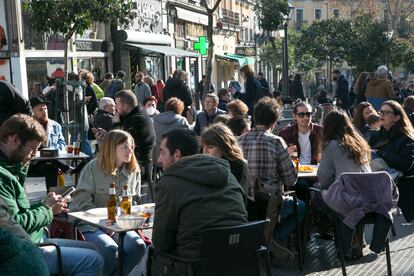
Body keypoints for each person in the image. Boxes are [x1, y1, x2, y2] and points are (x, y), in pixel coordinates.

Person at [0, 114, 103, 275]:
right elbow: (13, 226)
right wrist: (47, 209)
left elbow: (16, 213)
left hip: (33, 241)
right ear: (14, 140)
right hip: (22, 253)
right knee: (93, 260)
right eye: (32, 148)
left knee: (93, 248)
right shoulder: (3, 176)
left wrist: (44, 204)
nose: (34, 155)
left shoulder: (10, 169)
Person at [151, 129, 247, 274]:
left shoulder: (168, 183)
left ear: (176, 154)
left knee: (144, 257)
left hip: (193, 266)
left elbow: (161, 244)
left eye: (162, 152)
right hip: (237, 261)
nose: (158, 159)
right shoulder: (229, 176)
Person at [70, 130, 146, 275]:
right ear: (112, 148)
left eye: (131, 146)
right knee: (110, 249)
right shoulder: (92, 168)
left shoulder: (133, 171)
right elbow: (80, 205)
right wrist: (105, 223)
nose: (130, 151)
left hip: (119, 225)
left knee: (138, 246)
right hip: (90, 224)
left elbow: (134, 203)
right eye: (124, 147)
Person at [238, 97, 304, 255]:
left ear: (255, 117)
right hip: (270, 202)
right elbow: (291, 179)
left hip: (244, 201)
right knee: (301, 207)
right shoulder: (276, 141)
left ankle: (268, 239)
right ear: (275, 121)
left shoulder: (238, 140)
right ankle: (276, 238)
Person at [369, 100, 414, 221]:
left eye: (386, 112)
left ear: (397, 117)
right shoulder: (375, 136)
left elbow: (406, 165)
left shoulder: (407, 138)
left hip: (399, 184)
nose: (381, 115)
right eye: (381, 111)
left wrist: (381, 153)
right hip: (374, 181)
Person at [279, 101, 323, 200]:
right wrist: (287, 154)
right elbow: (280, 159)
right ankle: (303, 212)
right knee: (302, 186)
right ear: (295, 116)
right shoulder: (286, 133)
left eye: (308, 114)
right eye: (301, 115)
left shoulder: (321, 131)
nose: (305, 118)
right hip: (296, 173)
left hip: (317, 172)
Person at [318, 110, 372, 190]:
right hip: (366, 192)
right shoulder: (360, 143)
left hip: (345, 195)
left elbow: (324, 178)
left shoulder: (331, 145)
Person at [27, 96, 71, 190]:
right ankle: (66, 168)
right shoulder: (29, 126)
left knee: (49, 165)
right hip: (34, 163)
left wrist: (53, 150)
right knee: (46, 156)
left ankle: (52, 195)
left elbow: (62, 144)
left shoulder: (55, 125)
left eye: (45, 108)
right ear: (33, 112)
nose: (44, 112)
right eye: (40, 110)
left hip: (51, 161)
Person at [201, 123, 253, 199]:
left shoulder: (239, 165)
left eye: (210, 147)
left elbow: (239, 197)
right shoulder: (202, 163)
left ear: (224, 147)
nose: (205, 151)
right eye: (203, 147)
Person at [114, 90, 156, 164]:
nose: (115, 107)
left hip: (138, 166)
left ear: (126, 106)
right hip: (134, 162)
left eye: (117, 104)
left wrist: (117, 124)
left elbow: (120, 141)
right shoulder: (136, 115)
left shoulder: (137, 120)